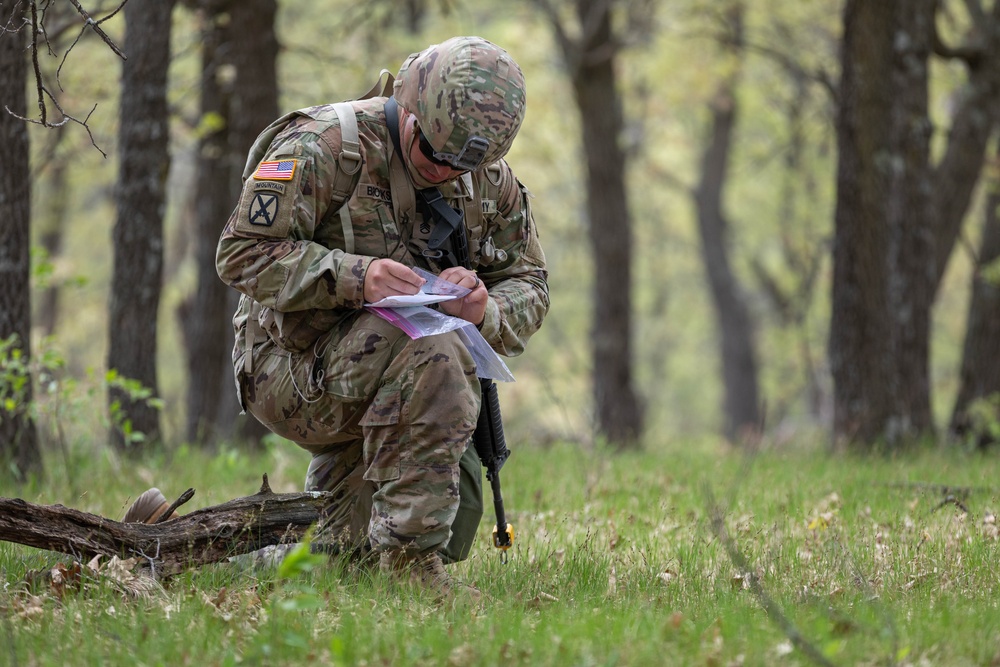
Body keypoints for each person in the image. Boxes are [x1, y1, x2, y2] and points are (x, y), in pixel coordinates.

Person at [213, 36, 549, 601]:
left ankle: (173, 546)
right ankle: (412, 569)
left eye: (461, 165)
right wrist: (353, 276)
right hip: (291, 368)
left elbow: (531, 284)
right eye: (432, 156)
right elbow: (239, 251)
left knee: (337, 563)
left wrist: (485, 308)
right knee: (439, 351)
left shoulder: (489, 180)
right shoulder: (327, 146)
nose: (444, 173)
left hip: (392, 380)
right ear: (407, 109)